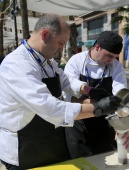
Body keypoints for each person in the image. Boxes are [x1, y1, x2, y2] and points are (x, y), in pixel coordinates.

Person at [0, 14, 122, 170]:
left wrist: (89, 89)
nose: (61, 49)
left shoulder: (48, 62)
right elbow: (50, 107)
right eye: (61, 43)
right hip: (24, 149)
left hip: (49, 141)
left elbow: (66, 81)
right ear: (45, 35)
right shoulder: (17, 65)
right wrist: (98, 108)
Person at [64, 31, 129, 159]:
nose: (111, 60)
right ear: (97, 47)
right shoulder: (76, 61)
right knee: (80, 161)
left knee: (107, 159)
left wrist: (123, 124)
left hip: (104, 123)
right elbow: (69, 85)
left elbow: (120, 93)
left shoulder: (116, 67)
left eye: (115, 57)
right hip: (79, 122)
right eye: (109, 55)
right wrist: (88, 90)